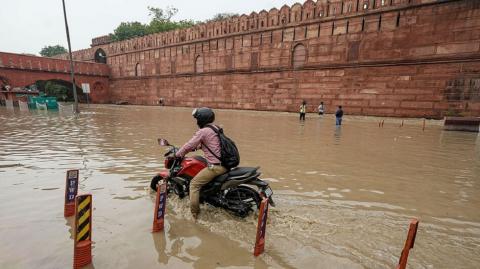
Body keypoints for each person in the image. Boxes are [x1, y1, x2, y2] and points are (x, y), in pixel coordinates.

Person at [175, 107, 227, 219]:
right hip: (225, 164)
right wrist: (196, 148)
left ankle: (194, 215)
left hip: (216, 167)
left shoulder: (203, 131)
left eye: (197, 119)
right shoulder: (215, 128)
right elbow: (212, 144)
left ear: (201, 120)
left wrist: (178, 154)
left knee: (194, 185)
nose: (196, 121)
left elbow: (189, 145)